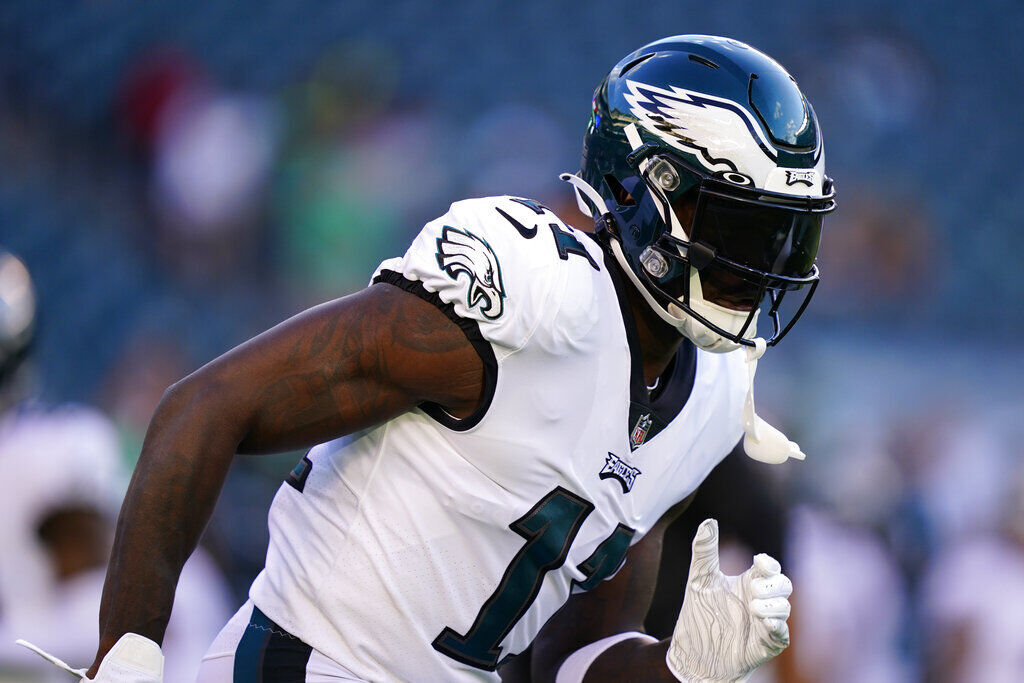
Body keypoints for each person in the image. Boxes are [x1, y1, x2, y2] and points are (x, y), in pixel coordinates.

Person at [25, 35, 835, 682]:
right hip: (309, 659)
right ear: (643, 191)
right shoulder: (533, 290)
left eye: (781, 236)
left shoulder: (709, 398)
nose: (762, 265)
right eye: (740, 230)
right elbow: (206, 406)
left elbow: (575, 657)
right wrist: (128, 653)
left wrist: (682, 667)